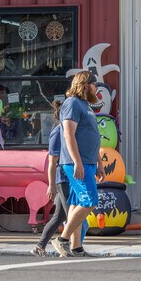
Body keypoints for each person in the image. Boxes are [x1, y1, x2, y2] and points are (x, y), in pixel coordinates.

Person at [51, 71, 105, 257]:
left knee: (76, 203)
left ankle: (76, 248)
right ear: (84, 85)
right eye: (94, 84)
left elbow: (92, 136)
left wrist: (99, 162)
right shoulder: (72, 103)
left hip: (88, 162)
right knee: (90, 201)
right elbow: (68, 134)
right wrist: (77, 163)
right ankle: (62, 239)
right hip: (76, 163)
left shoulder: (86, 105)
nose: (96, 88)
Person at [31, 100, 86, 257]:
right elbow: (52, 162)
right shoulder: (57, 133)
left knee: (60, 216)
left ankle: (40, 246)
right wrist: (51, 185)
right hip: (63, 179)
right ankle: (71, 246)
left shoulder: (73, 130)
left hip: (71, 178)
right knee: (73, 215)